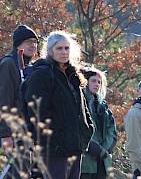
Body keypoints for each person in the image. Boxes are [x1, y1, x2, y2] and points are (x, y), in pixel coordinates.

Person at [22, 31, 94, 179]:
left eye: (66, 48)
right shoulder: (42, 74)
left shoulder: (72, 74)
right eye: (59, 48)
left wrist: (88, 129)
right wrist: (52, 140)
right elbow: (36, 112)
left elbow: (82, 107)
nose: (64, 52)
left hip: (75, 145)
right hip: (54, 149)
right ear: (50, 51)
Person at [0, 25, 39, 154]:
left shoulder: (30, 67)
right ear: (18, 45)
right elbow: (4, 101)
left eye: (35, 42)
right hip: (11, 134)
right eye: (28, 42)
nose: (33, 45)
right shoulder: (8, 64)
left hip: (26, 133)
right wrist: (5, 134)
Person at [80, 67, 117, 179]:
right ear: (85, 81)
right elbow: (79, 129)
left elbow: (112, 131)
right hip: (85, 162)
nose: (97, 84)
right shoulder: (79, 103)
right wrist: (94, 148)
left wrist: (104, 151)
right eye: (93, 81)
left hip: (102, 162)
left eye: (99, 82)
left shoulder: (103, 107)